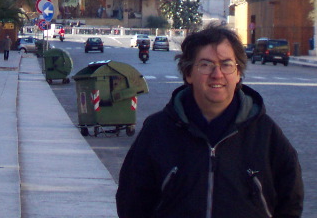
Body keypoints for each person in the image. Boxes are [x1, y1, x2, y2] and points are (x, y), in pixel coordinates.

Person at [116, 24, 304, 218]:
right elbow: (131, 201)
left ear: (238, 73)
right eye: (205, 64)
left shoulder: (266, 134)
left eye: (226, 64)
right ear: (188, 73)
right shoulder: (157, 131)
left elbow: (291, 200)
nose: (217, 74)